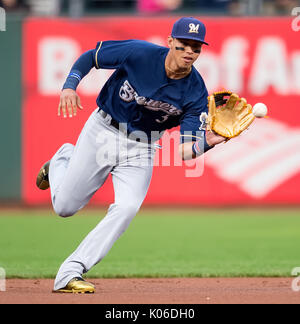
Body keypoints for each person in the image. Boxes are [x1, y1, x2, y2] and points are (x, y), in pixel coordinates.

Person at [36, 17, 227, 293]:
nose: (189, 51)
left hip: (143, 147)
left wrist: (209, 141)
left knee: (127, 208)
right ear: (170, 41)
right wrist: (69, 85)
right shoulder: (140, 53)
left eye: (196, 48)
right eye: (184, 44)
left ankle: (71, 271)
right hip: (103, 130)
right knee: (64, 207)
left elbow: (186, 151)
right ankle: (62, 159)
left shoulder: (196, 93)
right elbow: (92, 57)